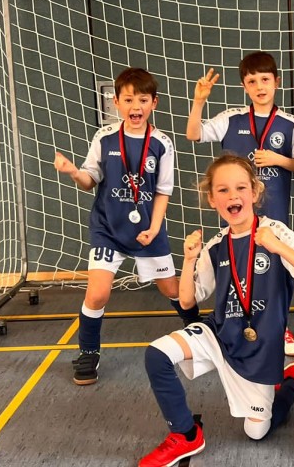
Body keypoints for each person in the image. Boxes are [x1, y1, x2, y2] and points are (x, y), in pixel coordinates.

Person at [137, 155, 294, 467]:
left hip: (261, 349)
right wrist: (189, 259)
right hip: (220, 335)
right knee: (157, 355)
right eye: (223, 190)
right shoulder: (215, 245)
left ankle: (292, 378)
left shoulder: (275, 232)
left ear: (254, 191)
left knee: (256, 432)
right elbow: (187, 301)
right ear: (212, 199)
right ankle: (186, 435)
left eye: (240, 188)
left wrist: (277, 247)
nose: (232, 196)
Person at [54, 67, 200, 385]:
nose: (136, 106)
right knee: (97, 294)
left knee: (172, 290)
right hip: (108, 228)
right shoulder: (104, 137)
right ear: (116, 102)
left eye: (143, 100)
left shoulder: (162, 143)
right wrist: (73, 171)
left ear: (154, 103)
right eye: (129, 99)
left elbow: (163, 192)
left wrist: (155, 228)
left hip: (148, 229)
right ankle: (88, 352)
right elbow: (89, 180)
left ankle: (204, 335)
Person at [186, 51, 294, 356]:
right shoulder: (230, 119)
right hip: (237, 214)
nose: (260, 86)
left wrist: (278, 159)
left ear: (277, 81)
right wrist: (199, 101)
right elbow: (193, 133)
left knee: (277, 270)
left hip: (273, 213)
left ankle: (281, 327)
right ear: (244, 86)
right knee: (236, 268)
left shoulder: (289, 123)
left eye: (265, 79)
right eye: (252, 81)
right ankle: (235, 322)